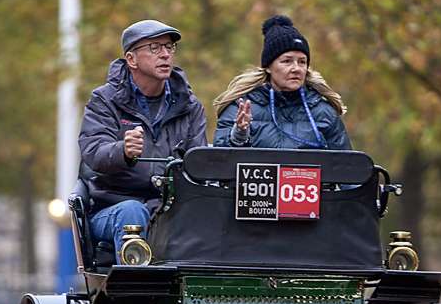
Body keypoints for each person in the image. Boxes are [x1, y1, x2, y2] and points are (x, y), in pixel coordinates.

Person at [79, 19, 208, 258]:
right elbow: (93, 151)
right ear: (131, 59)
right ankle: (134, 292)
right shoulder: (104, 101)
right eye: (155, 48)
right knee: (132, 213)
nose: (165, 55)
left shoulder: (190, 106)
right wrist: (122, 151)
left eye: (169, 47)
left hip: (168, 207)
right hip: (114, 207)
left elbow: (198, 163)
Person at [214, 15, 350, 149]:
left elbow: (346, 165)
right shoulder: (241, 108)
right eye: (287, 61)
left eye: (302, 62)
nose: (296, 68)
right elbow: (218, 161)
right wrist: (239, 135)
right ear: (268, 67)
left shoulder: (324, 112)